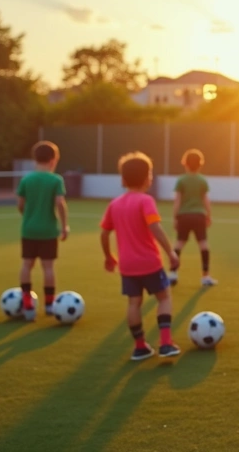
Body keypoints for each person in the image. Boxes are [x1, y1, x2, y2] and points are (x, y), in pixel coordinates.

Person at [100, 152, 181, 361]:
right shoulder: (146, 201)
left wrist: (109, 257)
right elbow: (154, 227)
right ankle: (165, 343)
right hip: (149, 262)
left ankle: (140, 347)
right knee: (164, 297)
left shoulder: (115, 204)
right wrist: (170, 251)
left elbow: (104, 233)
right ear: (148, 178)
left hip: (127, 265)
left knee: (133, 303)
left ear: (123, 179)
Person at [15, 141, 69, 320]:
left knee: (26, 264)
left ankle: (28, 303)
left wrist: (28, 216)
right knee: (48, 267)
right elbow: (60, 203)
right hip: (48, 230)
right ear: (54, 160)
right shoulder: (55, 180)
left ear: (34, 159)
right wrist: (64, 225)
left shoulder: (26, 180)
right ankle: (49, 304)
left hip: (29, 229)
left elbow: (20, 204)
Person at [170, 149, 215, 287]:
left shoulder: (181, 180)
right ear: (200, 164)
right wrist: (208, 215)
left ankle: (173, 274)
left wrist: (175, 217)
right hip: (199, 215)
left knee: (179, 244)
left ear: (185, 163)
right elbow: (206, 200)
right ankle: (205, 276)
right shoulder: (202, 180)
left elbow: (177, 200)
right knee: (203, 245)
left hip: (184, 216)